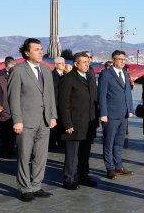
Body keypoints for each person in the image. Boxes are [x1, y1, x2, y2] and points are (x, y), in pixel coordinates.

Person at [8, 38, 58, 202]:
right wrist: (17, 120)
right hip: (26, 121)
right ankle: (24, 188)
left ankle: (36, 185)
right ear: (27, 53)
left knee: (41, 156)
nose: (41, 51)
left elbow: (50, 95)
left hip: (44, 121)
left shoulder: (46, 69)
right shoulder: (19, 70)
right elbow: (13, 97)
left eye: (41, 49)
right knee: (24, 156)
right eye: (36, 49)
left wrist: (52, 116)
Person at [57, 53, 98, 190]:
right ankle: (69, 179)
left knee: (85, 153)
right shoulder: (68, 79)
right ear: (76, 64)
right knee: (72, 154)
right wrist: (67, 123)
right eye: (84, 62)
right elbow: (63, 103)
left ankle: (83, 176)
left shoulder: (89, 77)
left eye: (88, 61)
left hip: (88, 123)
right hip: (74, 123)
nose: (87, 64)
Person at [98, 50, 135, 179]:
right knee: (109, 142)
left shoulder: (125, 73)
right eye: (120, 59)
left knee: (119, 142)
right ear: (113, 59)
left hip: (124, 114)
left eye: (124, 59)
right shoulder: (106, 74)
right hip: (111, 115)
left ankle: (118, 166)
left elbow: (128, 93)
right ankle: (110, 168)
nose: (122, 61)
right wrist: (103, 113)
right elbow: (101, 95)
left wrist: (130, 109)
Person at [0, 57, 17, 158]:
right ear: (7, 67)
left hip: (13, 106)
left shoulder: (15, 76)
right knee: (3, 130)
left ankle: (11, 148)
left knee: (12, 130)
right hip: (4, 106)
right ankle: (2, 150)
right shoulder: (0, 77)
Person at [49, 56, 67, 150]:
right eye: (61, 63)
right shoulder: (51, 75)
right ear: (56, 65)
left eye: (64, 63)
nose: (63, 64)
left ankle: (61, 141)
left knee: (62, 123)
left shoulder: (66, 75)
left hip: (63, 104)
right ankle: (52, 143)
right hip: (55, 103)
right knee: (54, 125)